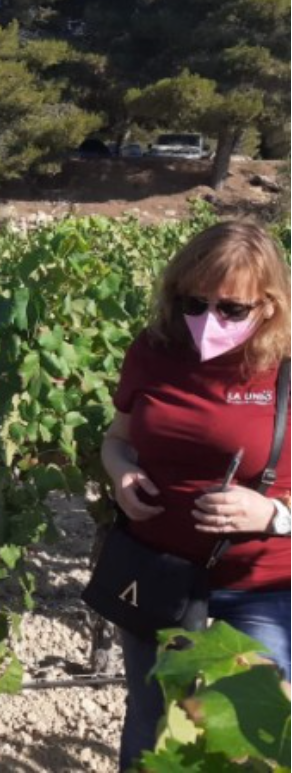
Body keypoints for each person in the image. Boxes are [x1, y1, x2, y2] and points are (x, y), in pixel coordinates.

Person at [100, 220, 291, 770]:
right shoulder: (154, 350)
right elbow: (117, 439)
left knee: (249, 740)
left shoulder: (286, 370)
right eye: (194, 302)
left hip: (259, 588)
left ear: (269, 305)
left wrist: (273, 514)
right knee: (153, 720)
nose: (209, 322)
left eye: (232, 309)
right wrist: (121, 474)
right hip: (157, 575)